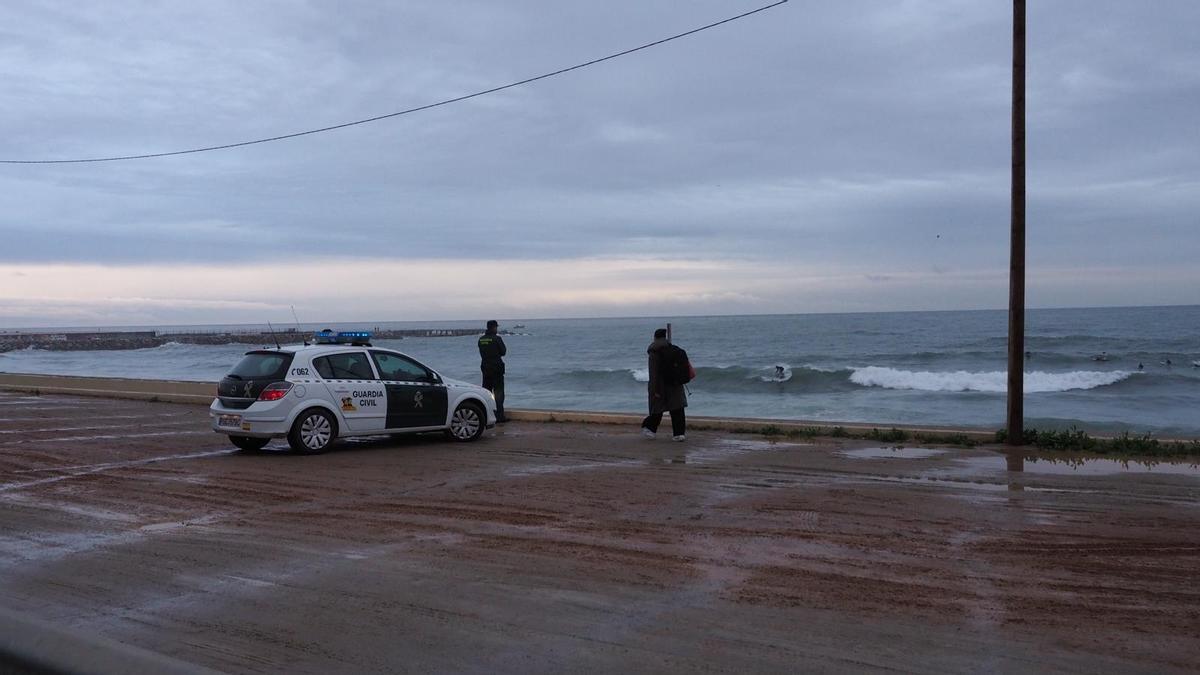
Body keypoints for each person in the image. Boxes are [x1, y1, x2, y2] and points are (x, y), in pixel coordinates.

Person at [641, 328, 687, 441]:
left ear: (655, 337)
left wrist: (654, 389)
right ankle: (679, 434)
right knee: (677, 408)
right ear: (665, 337)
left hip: (660, 385)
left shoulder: (654, 351)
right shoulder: (674, 349)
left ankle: (650, 430)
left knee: (657, 408)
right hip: (675, 384)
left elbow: (653, 373)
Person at [478, 320, 507, 423]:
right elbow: (503, 352)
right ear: (494, 328)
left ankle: (486, 414)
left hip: (485, 368)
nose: (497, 329)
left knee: (486, 392)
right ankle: (500, 416)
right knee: (498, 392)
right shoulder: (497, 339)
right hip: (496, 368)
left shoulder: (481, 340)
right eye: (496, 327)